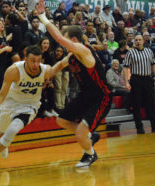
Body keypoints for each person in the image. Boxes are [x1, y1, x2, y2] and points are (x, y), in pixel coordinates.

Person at [36, 0, 112, 168]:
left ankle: (89, 154)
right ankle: (89, 136)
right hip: (86, 96)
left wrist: (43, 17)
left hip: (101, 97)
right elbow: (51, 71)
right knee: (61, 120)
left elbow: (58, 37)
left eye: (66, 37)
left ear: (75, 40)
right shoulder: (70, 57)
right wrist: (32, 70)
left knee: (80, 133)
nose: (62, 41)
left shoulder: (84, 51)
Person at [0, 45, 73, 173]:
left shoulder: (45, 71)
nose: (36, 64)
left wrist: (73, 54)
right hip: (10, 103)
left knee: (12, 130)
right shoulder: (14, 71)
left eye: (39, 61)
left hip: (29, 106)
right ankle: (3, 145)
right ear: (25, 59)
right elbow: (1, 95)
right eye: (33, 61)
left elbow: (60, 64)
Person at [123, 34, 155, 134]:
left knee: (151, 103)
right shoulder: (130, 53)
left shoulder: (149, 51)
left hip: (147, 79)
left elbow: (153, 65)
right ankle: (139, 127)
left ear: (143, 41)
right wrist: (126, 82)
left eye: (140, 40)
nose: (138, 41)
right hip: (136, 79)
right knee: (137, 104)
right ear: (134, 42)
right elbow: (125, 67)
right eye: (136, 40)